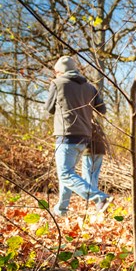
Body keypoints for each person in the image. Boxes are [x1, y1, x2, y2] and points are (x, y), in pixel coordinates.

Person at [45, 55, 112, 217]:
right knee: (68, 174)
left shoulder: (57, 83)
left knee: (65, 174)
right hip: (84, 136)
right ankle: (61, 209)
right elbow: (102, 109)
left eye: (56, 71)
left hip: (66, 135)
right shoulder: (89, 87)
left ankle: (99, 198)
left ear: (59, 71)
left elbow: (49, 108)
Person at [82, 121, 109, 192]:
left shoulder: (84, 122)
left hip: (89, 150)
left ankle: (93, 194)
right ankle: (95, 193)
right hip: (100, 150)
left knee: (88, 175)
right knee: (95, 175)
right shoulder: (97, 123)